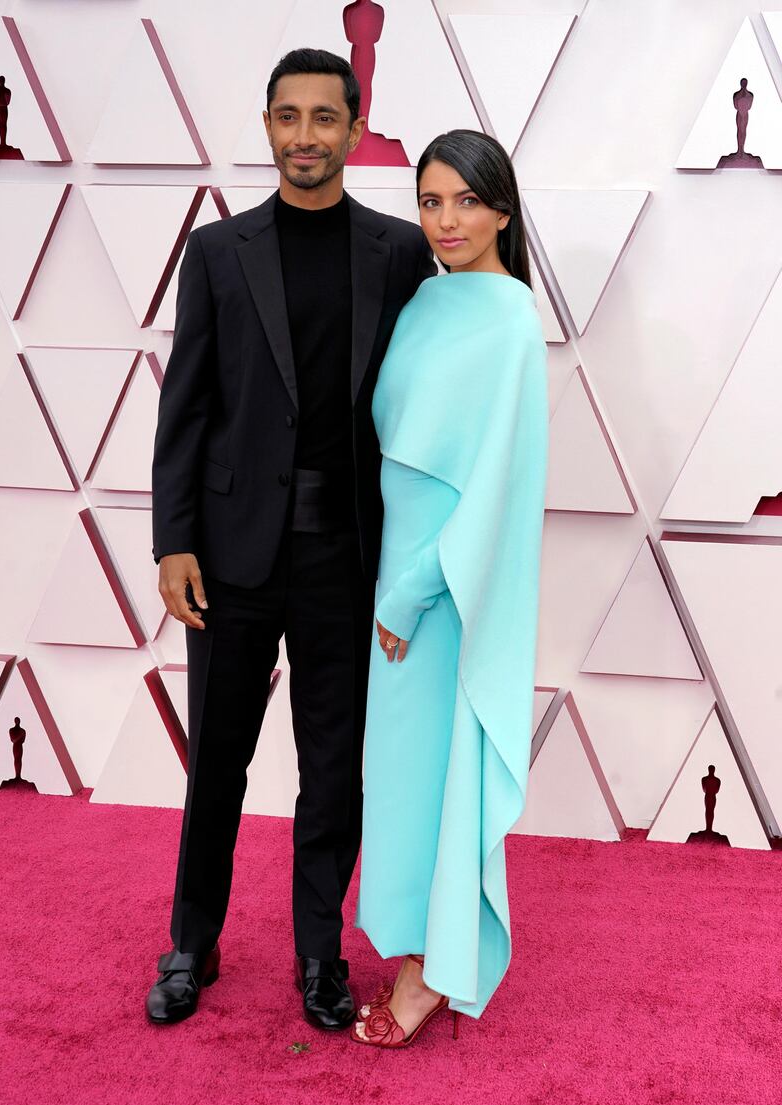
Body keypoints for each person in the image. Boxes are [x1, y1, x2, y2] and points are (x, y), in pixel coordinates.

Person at [147, 47, 435, 1030]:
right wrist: (172, 540)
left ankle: (320, 956)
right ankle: (192, 941)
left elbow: (422, 408)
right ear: (266, 126)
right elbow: (184, 409)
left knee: (332, 767)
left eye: (324, 118)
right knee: (215, 759)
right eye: (287, 117)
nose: (304, 136)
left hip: (345, 557)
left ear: (355, 131)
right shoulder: (217, 253)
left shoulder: (398, 252)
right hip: (228, 554)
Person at [352, 130, 548, 1048]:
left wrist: (410, 593)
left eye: (466, 201)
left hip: (446, 595)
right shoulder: (428, 300)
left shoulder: (510, 316)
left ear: (503, 206)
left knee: (441, 775)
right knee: (399, 780)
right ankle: (413, 951)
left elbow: (491, 483)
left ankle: (433, 974)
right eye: (430, 201)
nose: (446, 220)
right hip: (397, 574)